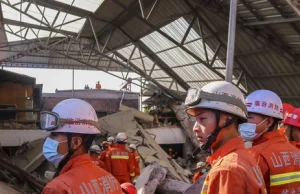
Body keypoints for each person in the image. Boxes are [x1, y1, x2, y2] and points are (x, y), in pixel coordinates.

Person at [185, 81, 266, 194]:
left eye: (202, 119)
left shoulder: (227, 170)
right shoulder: (244, 157)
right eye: (196, 120)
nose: (195, 128)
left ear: (227, 119)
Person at [40, 99, 122, 194]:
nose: (48, 140)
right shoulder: (111, 181)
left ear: (75, 142)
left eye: (54, 135)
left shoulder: (58, 189)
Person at [239, 90, 300, 193]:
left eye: (249, 118)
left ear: (268, 122)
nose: (243, 123)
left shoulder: (256, 155)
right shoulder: (295, 152)